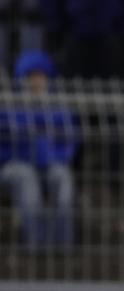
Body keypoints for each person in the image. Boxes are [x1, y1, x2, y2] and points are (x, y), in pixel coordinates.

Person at [0, 49, 78, 248]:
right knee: (26, 178)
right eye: (31, 76)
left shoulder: (57, 107)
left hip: (51, 165)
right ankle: (36, 243)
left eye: (40, 76)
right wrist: (21, 155)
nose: (36, 82)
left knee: (63, 177)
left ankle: (63, 244)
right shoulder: (9, 107)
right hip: (16, 166)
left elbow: (69, 143)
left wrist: (52, 157)